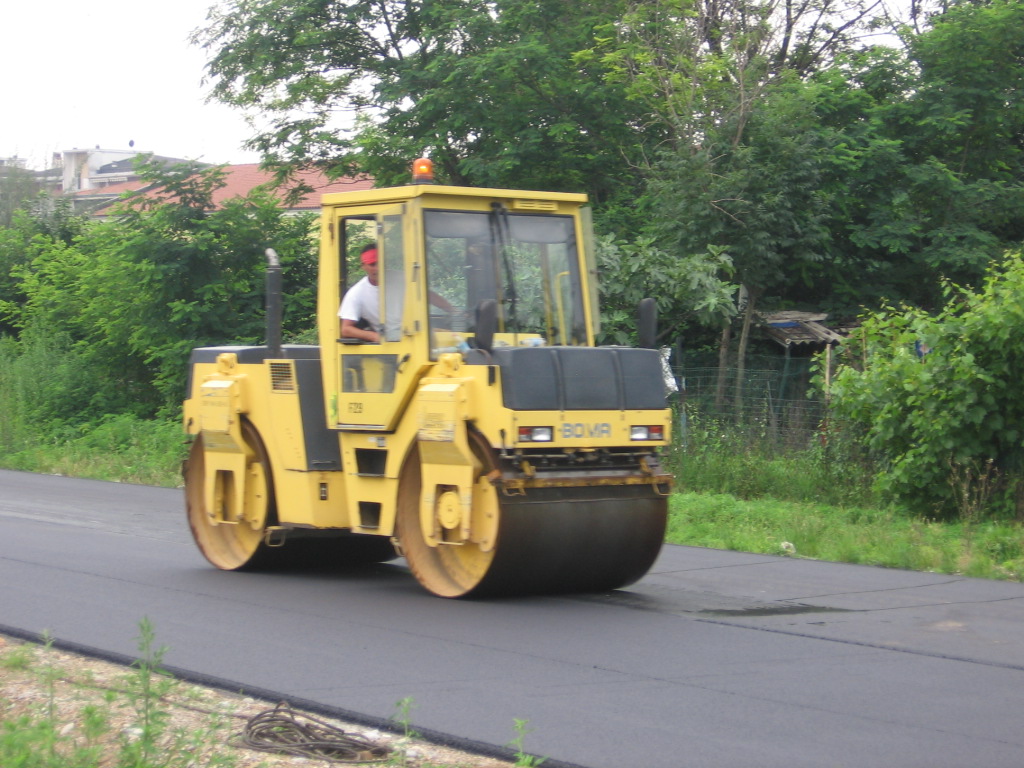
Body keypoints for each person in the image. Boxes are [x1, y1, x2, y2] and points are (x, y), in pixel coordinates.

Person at [338, 245, 382, 342]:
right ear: (363, 266)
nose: (377, 268)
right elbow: (346, 329)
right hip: (390, 345)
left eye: (380, 263)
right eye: (373, 264)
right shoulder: (356, 293)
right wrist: (374, 336)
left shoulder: (403, 281)